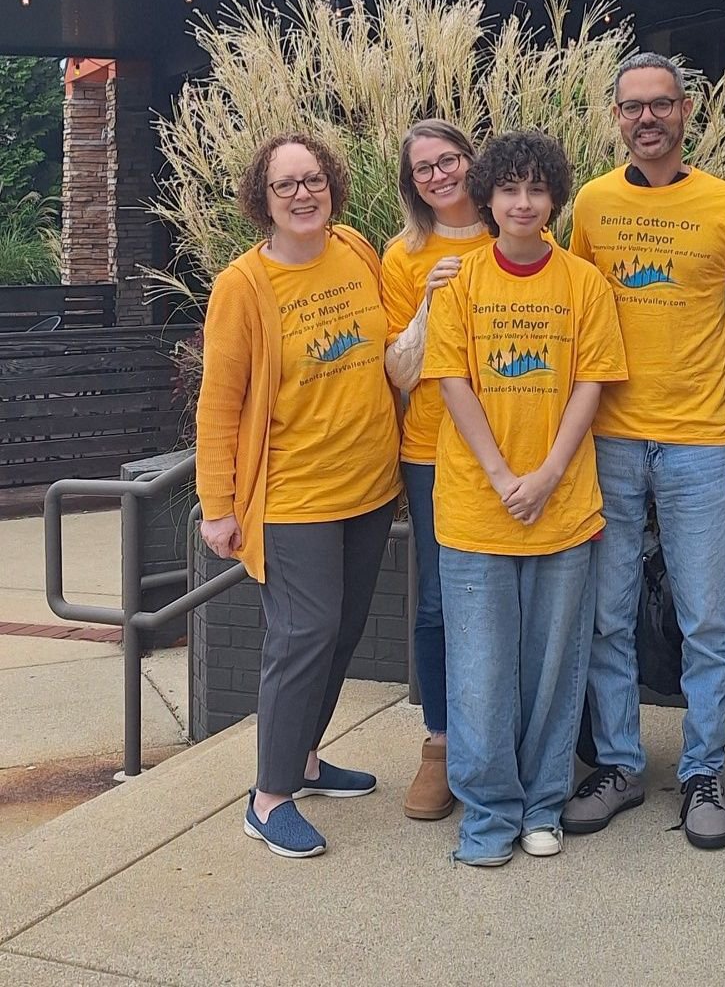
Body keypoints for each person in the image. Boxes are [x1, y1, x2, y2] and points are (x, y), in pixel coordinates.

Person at [565, 51, 725, 850]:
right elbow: (570, 313)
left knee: (703, 618)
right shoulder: (590, 203)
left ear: (687, 111)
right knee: (607, 613)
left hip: (697, 442)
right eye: (631, 107)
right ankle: (620, 764)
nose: (646, 118)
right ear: (615, 117)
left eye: (660, 104)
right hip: (608, 438)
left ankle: (701, 773)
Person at [422, 130, 627, 867]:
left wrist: (543, 478)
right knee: (480, 672)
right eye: (509, 189)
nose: (523, 203)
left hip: (563, 507)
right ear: (489, 198)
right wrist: (505, 477)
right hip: (476, 508)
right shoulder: (463, 284)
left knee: (550, 668)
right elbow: (452, 383)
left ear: (555, 200)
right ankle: (488, 814)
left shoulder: (583, 284)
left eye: (537, 190)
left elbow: (591, 386)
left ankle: (541, 804)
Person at [196, 133, 401, 858]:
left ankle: (306, 759)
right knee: (302, 636)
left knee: (342, 631)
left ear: (331, 185)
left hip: (370, 484)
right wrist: (217, 506)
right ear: (264, 199)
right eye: (285, 186)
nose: (302, 194)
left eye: (312, 179)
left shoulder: (355, 249)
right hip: (294, 496)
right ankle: (269, 796)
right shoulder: (244, 286)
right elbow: (219, 404)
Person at [381, 119, 490, 822]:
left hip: (512, 444)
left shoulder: (518, 220)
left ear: (471, 161)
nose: (439, 175)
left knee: (507, 591)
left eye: (448, 160)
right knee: (438, 598)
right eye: (424, 168)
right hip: (430, 448)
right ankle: (441, 745)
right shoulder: (402, 254)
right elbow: (395, 370)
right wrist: (428, 300)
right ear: (411, 183)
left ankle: (504, 738)